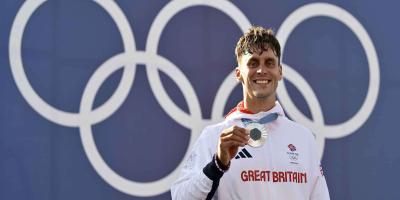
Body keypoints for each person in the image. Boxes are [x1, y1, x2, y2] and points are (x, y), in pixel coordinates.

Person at [171, 26, 330, 200]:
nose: (261, 70)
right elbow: (180, 197)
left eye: (269, 62)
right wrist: (217, 165)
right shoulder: (216, 136)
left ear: (280, 72)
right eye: (253, 63)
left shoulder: (303, 137)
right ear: (238, 74)